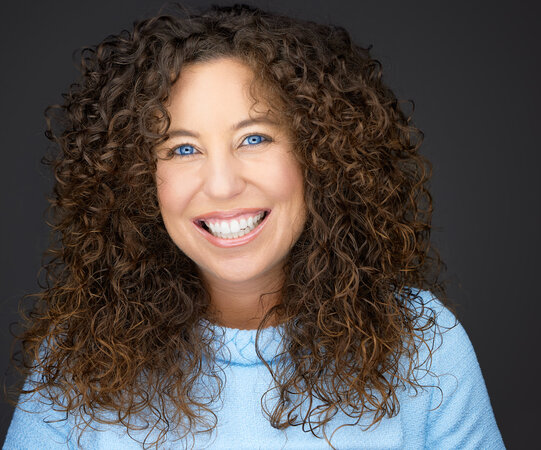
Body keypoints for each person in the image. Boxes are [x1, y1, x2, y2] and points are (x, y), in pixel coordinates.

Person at [4, 4, 504, 449]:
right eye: (183, 148)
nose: (222, 186)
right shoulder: (79, 356)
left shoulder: (421, 345)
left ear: (318, 153)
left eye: (254, 138)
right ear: (136, 179)